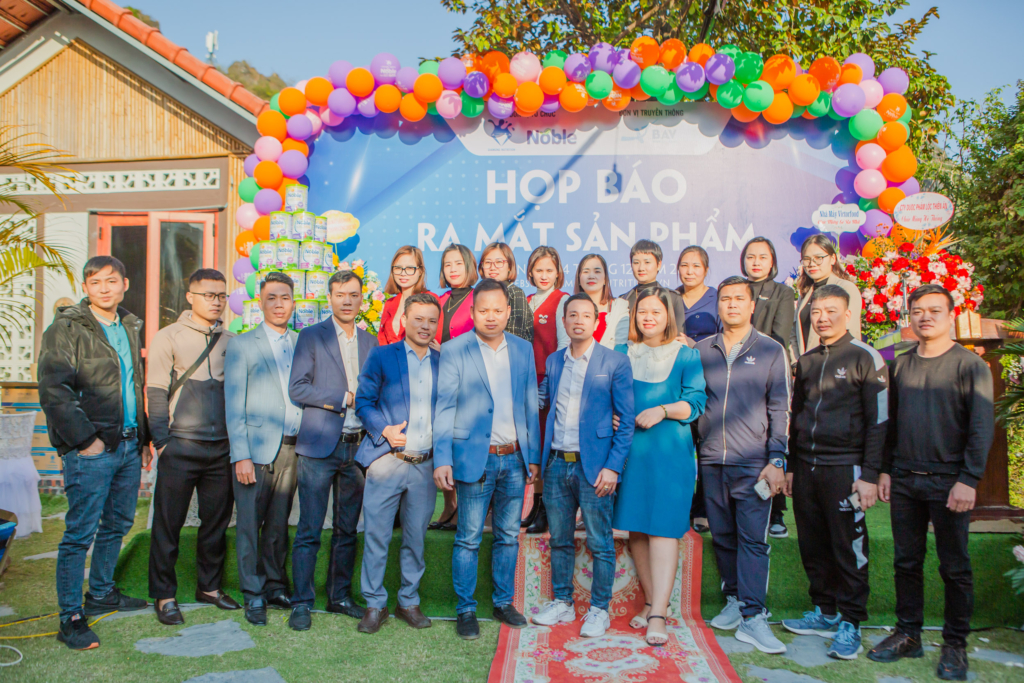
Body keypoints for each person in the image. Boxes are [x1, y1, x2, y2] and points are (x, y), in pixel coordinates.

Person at [868, 284, 994, 682]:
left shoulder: (969, 365)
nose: (925, 317)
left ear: (950, 315)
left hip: (950, 482)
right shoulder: (901, 364)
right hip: (905, 478)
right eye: (918, 310)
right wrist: (885, 470)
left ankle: (955, 644)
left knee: (954, 567)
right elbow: (890, 424)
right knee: (906, 562)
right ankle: (908, 634)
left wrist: (968, 479)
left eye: (935, 310)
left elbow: (981, 427)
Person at [39, 256, 150, 650]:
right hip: (91, 449)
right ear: (85, 288)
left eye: (111, 280)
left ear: (125, 284)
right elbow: (54, 390)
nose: (104, 288)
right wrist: (86, 439)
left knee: (118, 523)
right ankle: (70, 617)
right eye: (95, 282)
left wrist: (144, 438)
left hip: (128, 443)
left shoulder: (128, 325)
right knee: (79, 534)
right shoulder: (67, 327)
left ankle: (101, 592)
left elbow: (133, 384)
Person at [781, 284, 888, 660]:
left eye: (830, 311)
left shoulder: (865, 357)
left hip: (847, 468)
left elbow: (879, 421)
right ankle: (825, 611)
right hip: (807, 469)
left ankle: (851, 621)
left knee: (848, 546)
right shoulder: (807, 361)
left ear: (847, 314)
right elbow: (796, 416)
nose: (822, 318)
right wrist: (791, 466)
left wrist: (870, 474)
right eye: (816, 312)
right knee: (812, 544)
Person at [433, 278, 541, 641]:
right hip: (473, 459)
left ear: (508, 312)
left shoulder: (523, 349)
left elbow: (529, 405)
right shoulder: (455, 349)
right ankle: (465, 609)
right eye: (483, 310)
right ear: (472, 311)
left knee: (508, 536)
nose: (491, 316)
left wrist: (533, 457)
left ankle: (503, 602)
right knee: (468, 538)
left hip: (514, 458)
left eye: (497, 310)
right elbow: (444, 407)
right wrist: (442, 459)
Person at [531, 293, 635, 638]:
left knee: (600, 542)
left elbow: (627, 420)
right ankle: (562, 601)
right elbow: (542, 401)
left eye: (585, 315)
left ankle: (599, 609)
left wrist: (613, 467)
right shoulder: (555, 360)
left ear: (596, 321)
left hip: (595, 467)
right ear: (564, 322)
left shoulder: (615, 362)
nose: (578, 321)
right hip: (556, 464)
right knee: (559, 539)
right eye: (572, 315)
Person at [697, 276, 790, 655]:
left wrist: (777, 458)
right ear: (718, 306)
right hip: (711, 460)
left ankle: (754, 616)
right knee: (722, 535)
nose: (732, 304)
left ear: (752, 306)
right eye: (725, 299)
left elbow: (780, 407)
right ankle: (735, 599)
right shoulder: (701, 350)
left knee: (753, 539)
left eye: (739, 299)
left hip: (754, 463)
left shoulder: (770, 350)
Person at [611, 289, 706, 646]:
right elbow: (606, 395)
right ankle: (652, 602)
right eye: (642, 312)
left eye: (656, 311)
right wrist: (612, 413)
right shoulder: (621, 352)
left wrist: (663, 410)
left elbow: (696, 402)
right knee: (636, 528)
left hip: (669, 455)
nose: (648, 317)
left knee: (663, 529)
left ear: (669, 317)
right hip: (630, 453)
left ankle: (658, 615)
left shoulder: (686, 355)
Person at [146, 268, 239, 626]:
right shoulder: (168, 336)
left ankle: (209, 587)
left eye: (221, 295)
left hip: (222, 448)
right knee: (168, 525)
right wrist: (162, 443)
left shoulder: (232, 340)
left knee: (215, 524)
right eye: (208, 295)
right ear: (190, 297)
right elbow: (156, 391)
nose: (216, 302)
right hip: (180, 446)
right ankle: (164, 595)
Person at [287, 270, 378, 631]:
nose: (346, 300)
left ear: (361, 299)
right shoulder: (311, 336)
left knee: (346, 530)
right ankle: (301, 602)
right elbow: (298, 388)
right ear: (329, 298)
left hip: (357, 449)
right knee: (309, 529)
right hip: (319, 447)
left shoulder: (371, 342)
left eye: (353, 294)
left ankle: (339, 596)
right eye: (340, 294)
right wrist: (343, 397)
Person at [353, 293, 442, 634]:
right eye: (418, 318)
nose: (425, 326)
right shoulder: (382, 355)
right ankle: (375, 605)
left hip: (424, 465)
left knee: (415, 538)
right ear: (404, 320)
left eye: (432, 320)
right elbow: (363, 402)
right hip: (386, 460)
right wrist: (384, 430)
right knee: (377, 537)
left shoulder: (443, 362)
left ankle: (408, 601)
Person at [224, 272, 301, 627]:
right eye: (272, 298)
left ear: (294, 302)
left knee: (278, 524)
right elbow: (233, 404)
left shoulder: (301, 342)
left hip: (293, 448)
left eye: (285, 297)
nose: (279, 304)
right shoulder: (242, 345)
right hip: (254, 452)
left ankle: (274, 585)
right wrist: (240, 454)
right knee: (249, 525)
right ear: (261, 302)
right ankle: (253, 593)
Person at [741, 237, 796, 539]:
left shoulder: (782, 292)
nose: (756, 262)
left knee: (771, 439)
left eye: (762, 257)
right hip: (736, 377)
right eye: (751, 256)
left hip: (768, 372)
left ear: (772, 261)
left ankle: (777, 512)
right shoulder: (737, 289)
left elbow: (780, 337)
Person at [432, 243, 479, 531]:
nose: (452, 269)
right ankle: (449, 504)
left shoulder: (479, 297)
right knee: (444, 440)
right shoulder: (439, 300)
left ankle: (466, 507)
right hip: (439, 379)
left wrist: (447, 351)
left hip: (469, 381)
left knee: (463, 442)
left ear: (469, 266)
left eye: (458, 263)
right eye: (447, 264)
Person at [521, 246, 568, 535]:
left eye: (549, 270)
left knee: (548, 446)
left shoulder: (562, 301)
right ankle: (536, 504)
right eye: (539, 270)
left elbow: (564, 347)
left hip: (547, 383)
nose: (544, 275)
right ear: (530, 272)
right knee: (534, 447)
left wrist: (549, 384)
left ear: (558, 272)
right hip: (525, 382)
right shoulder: (524, 301)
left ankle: (547, 509)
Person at [791, 234, 862, 359]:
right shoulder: (806, 293)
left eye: (818, 258)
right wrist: (797, 362)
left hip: (836, 363)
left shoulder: (846, 288)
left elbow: (850, 331)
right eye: (806, 259)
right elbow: (794, 333)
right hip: (807, 365)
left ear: (833, 258)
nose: (812, 264)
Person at [619, 240, 687, 339]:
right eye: (636, 262)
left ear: (659, 265)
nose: (641, 268)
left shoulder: (672, 298)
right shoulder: (623, 300)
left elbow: (678, 337)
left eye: (647, 262)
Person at [378, 245, 441, 347]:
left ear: (420, 271)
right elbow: (381, 341)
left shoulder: (431, 300)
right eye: (398, 268)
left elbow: (434, 339)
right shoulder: (389, 303)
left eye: (410, 268)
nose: (403, 273)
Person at [479, 241, 533, 342]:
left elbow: (515, 338)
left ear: (509, 266)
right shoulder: (480, 294)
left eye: (499, 262)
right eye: (488, 262)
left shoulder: (515, 293)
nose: (492, 267)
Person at [575, 254, 630, 349]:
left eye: (597, 271)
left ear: (605, 279)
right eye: (586, 271)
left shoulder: (619, 307)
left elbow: (621, 346)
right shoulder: (569, 307)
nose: (591, 276)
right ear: (579, 279)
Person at [676, 246, 721, 343]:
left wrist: (694, 346)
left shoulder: (717, 299)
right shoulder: (671, 298)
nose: (689, 272)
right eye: (684, 265)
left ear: (706, 270)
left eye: (696, 266)